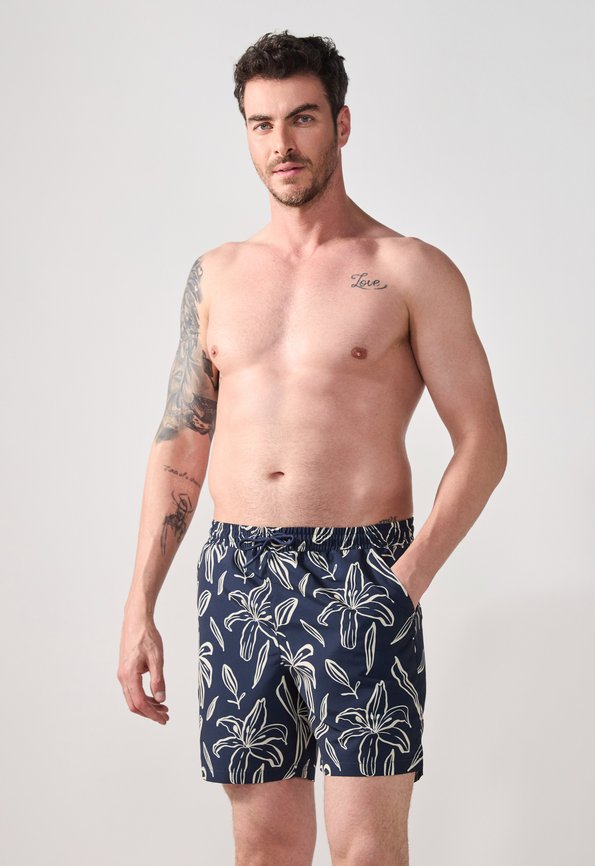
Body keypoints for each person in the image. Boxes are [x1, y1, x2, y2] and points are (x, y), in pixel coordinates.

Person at [117, 29, 507, 866]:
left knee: (366, 852)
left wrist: (408, 578)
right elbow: (181, 445)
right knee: (265, 851)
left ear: (342, 124)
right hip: (238, 576)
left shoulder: (408, 269)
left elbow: (482, 441)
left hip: (363, 572)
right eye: (262, 124)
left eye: (302, 118)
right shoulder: (216, 276)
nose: (282, 143)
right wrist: (139, 604)